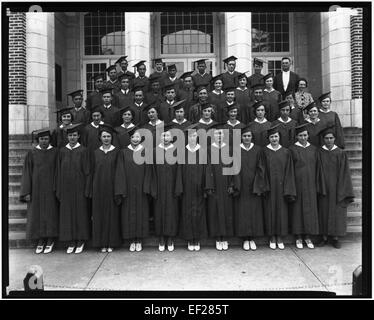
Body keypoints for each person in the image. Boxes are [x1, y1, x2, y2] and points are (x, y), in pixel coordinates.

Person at [254, 124, 296, 250]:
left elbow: (289, 171)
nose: (274, 139)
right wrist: (264, 186)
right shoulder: (264, 151)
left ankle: (280, 236)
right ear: (268, 138)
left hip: (282, 187)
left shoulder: (286, 152)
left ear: (279, 137)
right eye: (272, 137)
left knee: (282, 212)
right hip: (270, 187)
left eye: (276, 136)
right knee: (270, 211)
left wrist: (288, 188)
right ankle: (272, 236)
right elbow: (261, 170)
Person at [20, 128, 59, 254]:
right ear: (38, 140)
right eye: (42, 139)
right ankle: (40, 240)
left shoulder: (55, 152)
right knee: (37, 215)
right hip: (36, 190)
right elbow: (27, 173)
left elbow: (59, 171)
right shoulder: (31, 153)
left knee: (50, 214)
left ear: (49, 140)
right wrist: (26, 192)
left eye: (46, 139)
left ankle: (50, 239)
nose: (44, 141)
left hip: (51, 189)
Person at [317, 128, 354, 249]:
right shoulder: (319, 152)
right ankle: (324, 237)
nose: (329, 140)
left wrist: (342, 189)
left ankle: (335, 238)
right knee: (323, 211)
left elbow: (345, 173)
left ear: (335, 139)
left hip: (337, 188)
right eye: (326, 138)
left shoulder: (340, 153)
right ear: (323, 140)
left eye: (331, 138)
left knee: (336, 212)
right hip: (323, 187)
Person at [175, 124, 211, 251]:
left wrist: (207, 187)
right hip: (186, 188)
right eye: (190, 136)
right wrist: (180, 188)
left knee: (199, 213)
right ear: (187, 138)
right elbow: (179, 171)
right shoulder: (182, 152)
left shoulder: (202, 151)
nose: (192, 138)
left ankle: (197, 239)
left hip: (199, 188)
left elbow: (207, 169)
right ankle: (190, 239)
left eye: (194, 135)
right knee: (187, 213)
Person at [144, 124, 179, 252]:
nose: (165, 137)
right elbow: (150, 170)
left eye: (168, 135)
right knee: (159, 211)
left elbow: (179, 171)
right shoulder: (154, 151)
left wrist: (178, 187)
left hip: (171, 187)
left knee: (171, 211)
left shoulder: (176, 150)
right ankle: (161, 238)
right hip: (158, 187)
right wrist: (152, 188)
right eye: (163, 135)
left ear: (172, 137)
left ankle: (170, 237)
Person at [56, 123, 90, 254]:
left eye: (74, 135)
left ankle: (80, 240)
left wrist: (87, 188)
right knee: (67, 214)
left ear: (79, 136)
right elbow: (58, 171)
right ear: (67, 136)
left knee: (81, 214)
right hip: (66, 189)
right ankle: (71, 240)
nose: (72, 137)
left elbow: (87, 171)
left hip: (80, 188)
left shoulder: (84, 150)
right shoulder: (62, 151)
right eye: (70, 135)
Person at [115, 126, 149, 252]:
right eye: (133, 137)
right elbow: (120, 172)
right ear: (130, 138)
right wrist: (122, 189)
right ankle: (131, 239)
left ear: (141, 138)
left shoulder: (146, 151)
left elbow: (149, 171)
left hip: (141, 189)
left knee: (141, 213)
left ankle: (139, 239)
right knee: (128, 213)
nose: (135, 139)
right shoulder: (123, 152)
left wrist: (146, 187)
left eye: (138, 137)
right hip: (128, 188)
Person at [89, 124, 122, 252]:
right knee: (99, 216)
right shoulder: (95, 153)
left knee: (112, 216)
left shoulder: (117, 152)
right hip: (98, 189)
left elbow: (120, 172)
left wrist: (118, 189)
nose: (106, 138)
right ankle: (102, 243)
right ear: (100, 138)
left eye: (108, 136)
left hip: (112, 188)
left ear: (112, 138)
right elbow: (91, 172)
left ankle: (111, 243)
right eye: (104, 136)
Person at [288, 123, 321, 249]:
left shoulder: (313, 149)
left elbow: (318, 169)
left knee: (309, 211)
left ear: (308, 135)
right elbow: (289, 169)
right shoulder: (292, 149)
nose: (303, 137)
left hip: (311, 185)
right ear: (297, 136)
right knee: (297, 211)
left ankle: (307, 236)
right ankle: (298, 237)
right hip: (297, 185)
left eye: (305, 135)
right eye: (301, 135)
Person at [233, 125, 264, 251]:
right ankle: (245, 239)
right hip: (241, 185)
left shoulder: (258, 150)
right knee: (243, 212)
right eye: (244, 136)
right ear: (241, 137)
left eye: (249, 136)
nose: (247, 138)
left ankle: (253, 238)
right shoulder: (236, 150)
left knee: (254, 212)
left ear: (252, 137)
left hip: (254, 185)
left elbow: (261, 168)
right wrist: (236, 184)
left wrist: (258, 184)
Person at [206, 124, 235, 250]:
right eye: (216, 134)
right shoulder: (207, 149)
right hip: (214, 184)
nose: (219, 136)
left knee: (226, 210)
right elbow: (207, 168)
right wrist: (209, 185)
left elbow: (233, 168)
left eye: (221, 134)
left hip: (226, 184)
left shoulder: (229, 149)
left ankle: (225, 236)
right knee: (215, 210)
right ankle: (218, 237)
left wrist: (231, 184)